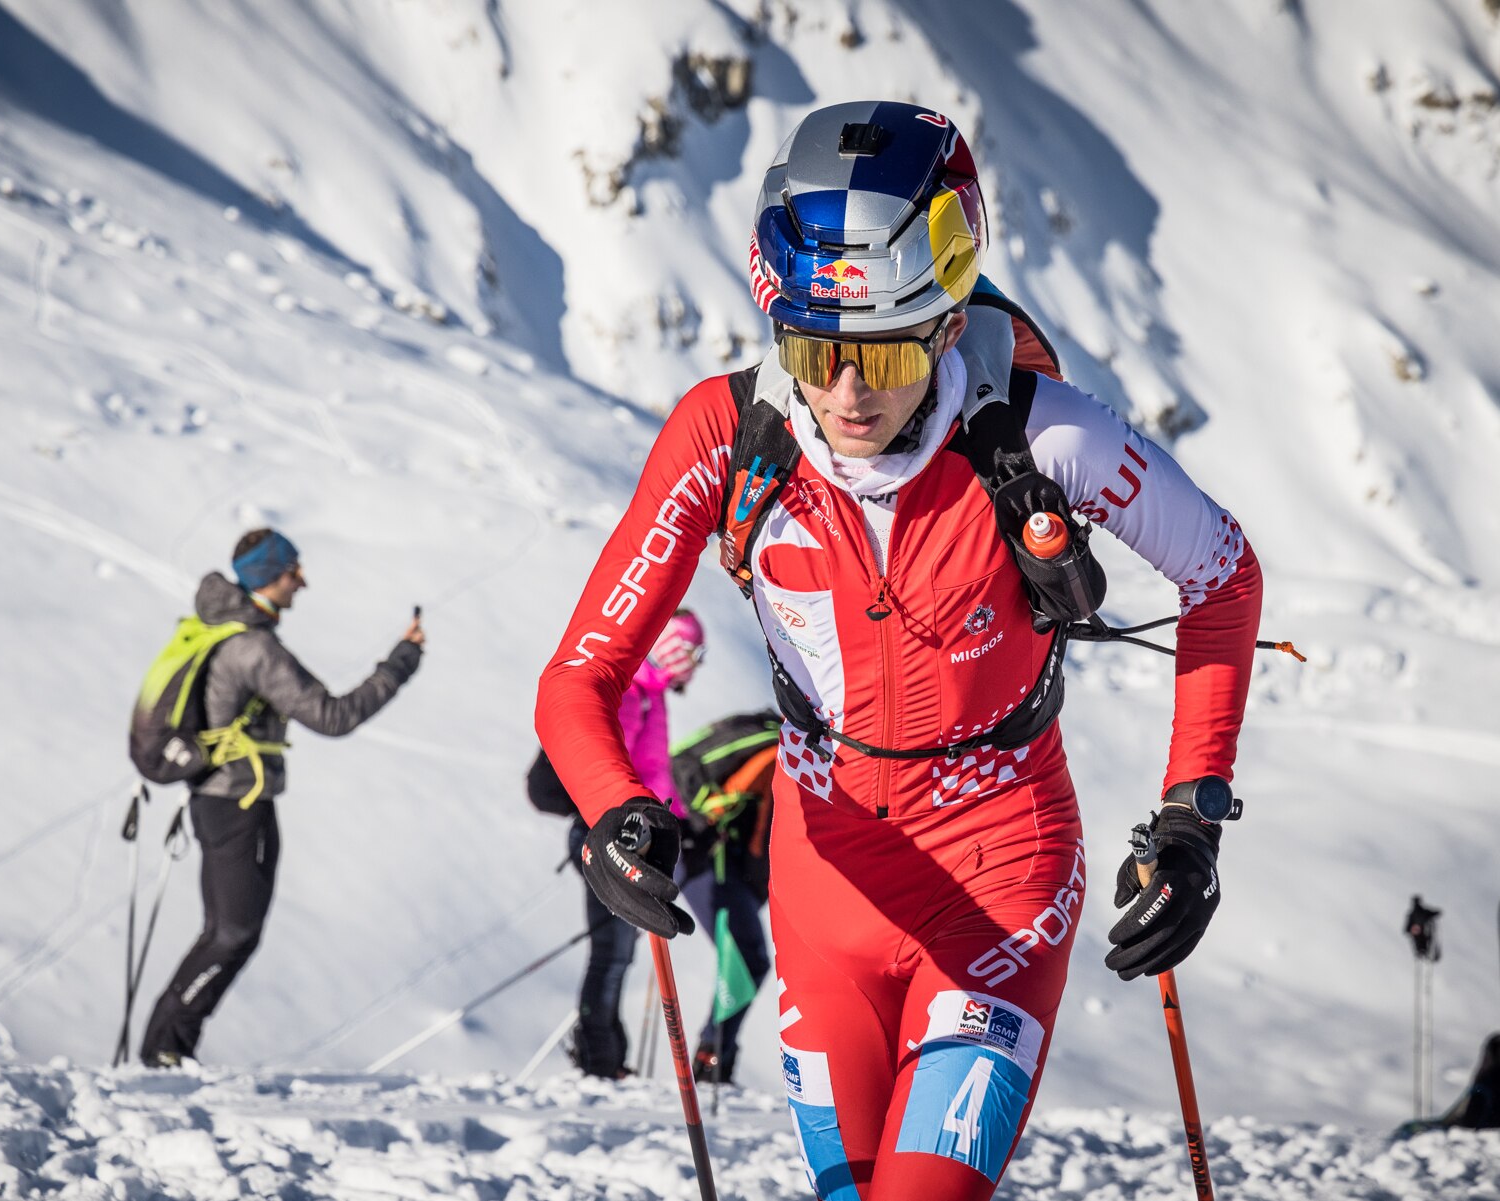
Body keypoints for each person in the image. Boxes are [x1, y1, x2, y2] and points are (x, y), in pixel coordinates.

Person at [536, 100, 1262, 1201]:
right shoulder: (727, 439)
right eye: (814, 350)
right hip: (822, 888)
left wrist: (1190, 814)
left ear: (944, 323)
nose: (846, 393)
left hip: (1000, 873)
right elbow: (577, 678)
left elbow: (1224, 574)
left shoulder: (1044, 434)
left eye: (881, 352)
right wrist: (613, 809)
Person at [140, 528, 424, 1067]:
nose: (302, 581)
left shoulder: (224, 631)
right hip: (236, 802)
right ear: (270, 575)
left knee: (229, 931)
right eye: (295, 571)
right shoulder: (253, 648)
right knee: (233, 932)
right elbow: (333, 717)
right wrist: (401, 663)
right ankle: (164, 1051)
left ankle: (167, 1048)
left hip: (224, 799)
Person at [564, 610, 705, 1078]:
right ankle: (597, 1056)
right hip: (611, 834)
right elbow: (610, 769)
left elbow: (653, 773)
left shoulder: (651, 693)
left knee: (618, 951)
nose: (694, 664)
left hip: (634, 835)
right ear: (670, 648)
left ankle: (606, 1054)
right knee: (612, 951)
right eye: (692, 652)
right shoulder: (632, 692)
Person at [670, 710, 782, 1086]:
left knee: (746, 958)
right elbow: (729, 803)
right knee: (747, 958)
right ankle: (712, 1056)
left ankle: (716, 1053)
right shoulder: (776, 753)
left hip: (716, 860)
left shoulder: (773, 746)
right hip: (709, 858)